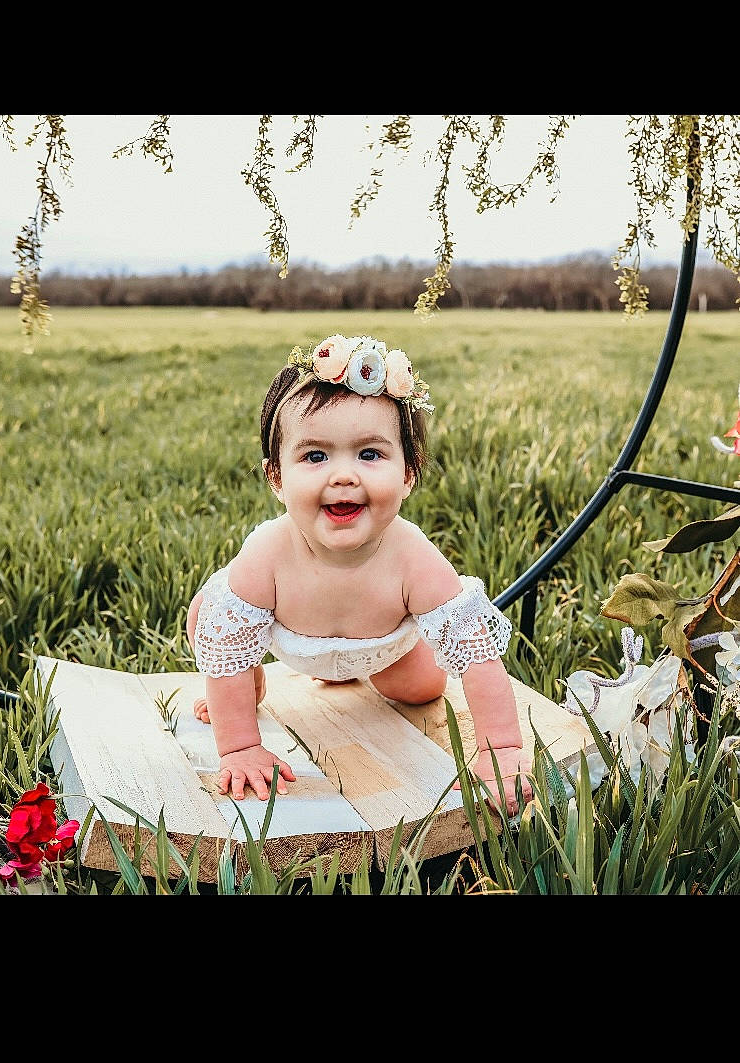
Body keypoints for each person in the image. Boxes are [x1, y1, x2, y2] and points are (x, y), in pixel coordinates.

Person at [185, 332, 533, 814]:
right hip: (283, 641)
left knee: (423, 690)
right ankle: (249, 683)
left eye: (369, 454)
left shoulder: (414, 557)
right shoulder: (268, 553)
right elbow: (225, 642)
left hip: (384, 648)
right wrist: (240, 746)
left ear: (408, 473)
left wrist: (502, 749)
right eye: (315, 456)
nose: (344, 475)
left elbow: (477, 655)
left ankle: (383, 674)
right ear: (276, 478)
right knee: (208, 620)